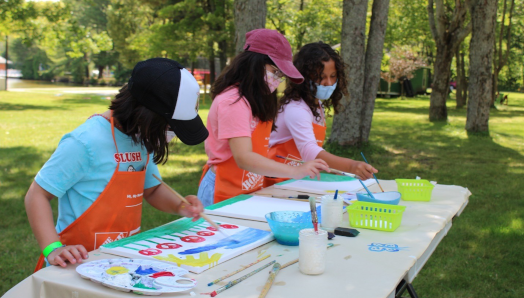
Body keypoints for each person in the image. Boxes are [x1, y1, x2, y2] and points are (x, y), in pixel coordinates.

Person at [25, 58, 208, 270]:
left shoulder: (140, 139)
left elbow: (152, 189)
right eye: (169, 127)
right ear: (145, 115)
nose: (171, 135)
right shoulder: (85, 142)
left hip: (120, 258)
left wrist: (179, 205)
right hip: (75, 262)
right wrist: (52, 248)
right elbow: (37, 194)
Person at [197, 29, 329, 206]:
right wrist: (295, 170)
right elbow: (243, 157)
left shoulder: (257, 99)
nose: (277, 80)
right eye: (274, 71)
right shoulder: (232, 101)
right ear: (253, 63)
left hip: (250, 186)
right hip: (222, 188)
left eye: (281, 76)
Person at [265, 42, 377, 187]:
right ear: (304, 76)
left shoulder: (315, 105)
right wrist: (351, 166)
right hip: (274, 182)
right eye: (321, 77)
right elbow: (309, 151)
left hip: (296, 181)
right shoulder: (296, 109)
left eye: (333, 76)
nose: (328, 83)